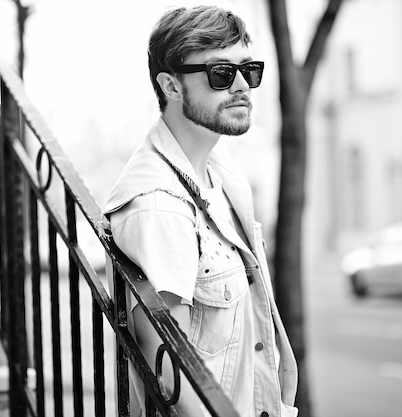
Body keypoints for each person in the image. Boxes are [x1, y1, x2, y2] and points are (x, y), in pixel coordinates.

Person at [103, 5, 298, 417]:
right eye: (221, 73)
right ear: (172, 87)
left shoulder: (221, 175)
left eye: (250, 70)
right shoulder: (160, 205)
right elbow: (173, 373)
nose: (243, 85)